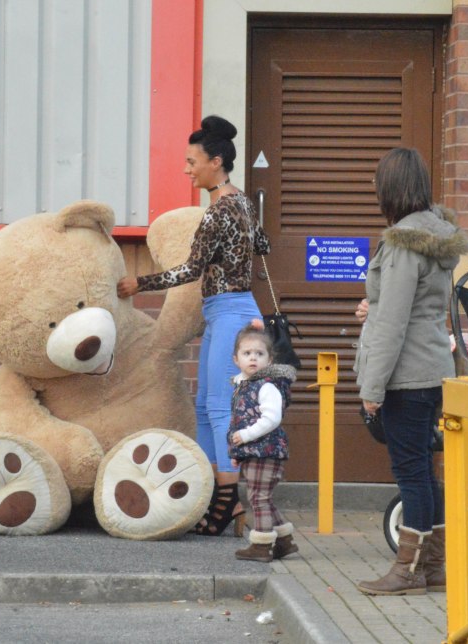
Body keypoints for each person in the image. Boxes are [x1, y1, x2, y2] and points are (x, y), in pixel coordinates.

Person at [117, 115, 270, 536]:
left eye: (192, 161)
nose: (187, 169)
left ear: (215, 162)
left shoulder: (218, 211)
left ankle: (226, 504)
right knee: (206, 406)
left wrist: (139, 283)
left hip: (230, 312)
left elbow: (191, 269)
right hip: (229, 312)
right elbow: (264, 246)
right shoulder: (242, 203)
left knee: (219, 409)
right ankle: (211, 496)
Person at [354, 147, 468, 595]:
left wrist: (372, 386)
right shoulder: (435, 236)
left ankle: (407, 571)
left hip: (406, 374)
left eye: (378, 180)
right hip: (431, 367)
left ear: (393, 186)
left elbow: (395, 320)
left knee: (410, 472)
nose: (374, 188)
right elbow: (413, 306)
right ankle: (434, 567)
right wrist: (377, 304)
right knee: (423, 468)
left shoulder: (402, 241)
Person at [227, 324, 298, 562]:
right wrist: (238, 451)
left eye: (259, 354)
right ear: (236, 359)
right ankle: (284, 542)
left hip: (267, 452)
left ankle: (261, 545)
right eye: (247, 354)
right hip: (254, 452)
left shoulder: (267, 386)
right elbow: (239, 421)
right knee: (262, 498)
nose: (253, 358)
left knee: (258, 498)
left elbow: (271, 418)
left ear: (269, 360)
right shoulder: (241, 386)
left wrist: (245, 437)